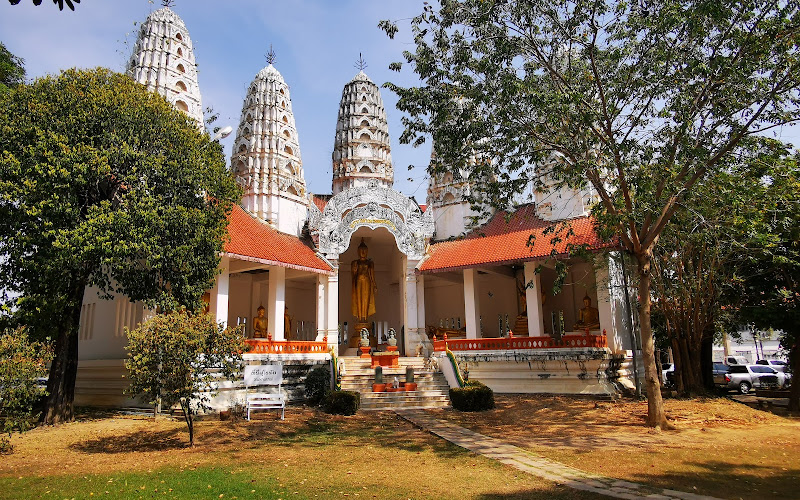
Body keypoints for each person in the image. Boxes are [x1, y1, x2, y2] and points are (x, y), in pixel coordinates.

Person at [351, 238, 377, 321]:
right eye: (361, 251)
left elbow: (372, 275)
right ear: (358, 252)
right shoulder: (355, 262)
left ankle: (365, 318)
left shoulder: (370, 263)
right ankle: (359, 318)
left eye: (364, 250)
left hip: (367, 281)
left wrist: (374, 285)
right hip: (358, 280)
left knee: (366, 299)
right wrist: (354, 269)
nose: (363, 252)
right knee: (358, 299)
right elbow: (353, 275)